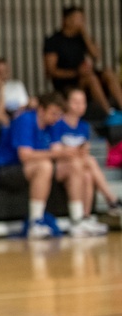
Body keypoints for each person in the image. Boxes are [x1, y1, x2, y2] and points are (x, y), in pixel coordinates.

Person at [0, 91, 104, 239]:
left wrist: (72, 152)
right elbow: (25, 156)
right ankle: (35, 223)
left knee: (74, 165)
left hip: (35, 169)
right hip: (6, 170)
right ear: (41, 110)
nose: (56, 118)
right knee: (44, 166)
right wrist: (58, 154)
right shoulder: (25, 120)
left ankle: (78, 221)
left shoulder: (53, 123)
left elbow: (57, 150)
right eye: (53, 113)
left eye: (59, 114)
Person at [50, 88, 122, 219]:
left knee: (88, 175)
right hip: (60, 167)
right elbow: (56, 151)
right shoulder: (57, 123)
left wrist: (75, 151)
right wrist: (75, 152)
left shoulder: (84, 126)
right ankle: (111, 199)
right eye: (75, 102)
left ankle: (85, 217)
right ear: (67, 103)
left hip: (78, 166)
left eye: (82, 102)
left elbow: (83, 151)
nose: (79, 106)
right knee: (89, 161)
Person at [43, 6, 122, 116]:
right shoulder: (54, 41)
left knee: (108, 72)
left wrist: (85, 34)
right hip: (68, 81)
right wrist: (76, 72)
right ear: (67, 20)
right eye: (78, 19)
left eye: (82, 19)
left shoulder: (82, 38)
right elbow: (51, 71)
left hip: (85, 74)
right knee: (91, 78)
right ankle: (109, 113)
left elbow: (96, 56)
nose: (81, 22)